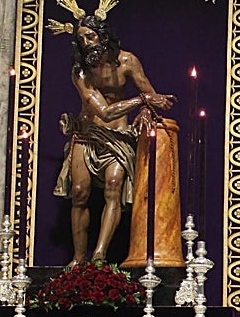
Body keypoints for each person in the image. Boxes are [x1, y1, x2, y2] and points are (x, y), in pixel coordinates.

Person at [53, 13, 174, 265]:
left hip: (118, 136)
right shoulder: (81, 73)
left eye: (90, 36)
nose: (87, 42)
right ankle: (78, 258)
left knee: (113, 186)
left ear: (103, 36)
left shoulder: (128, 61)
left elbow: (151, 96)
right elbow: (105, 111)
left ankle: (99, 254)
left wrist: (145, 109)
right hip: (88, 134)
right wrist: (142, 101)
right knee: (78, 192)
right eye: (81, 39)